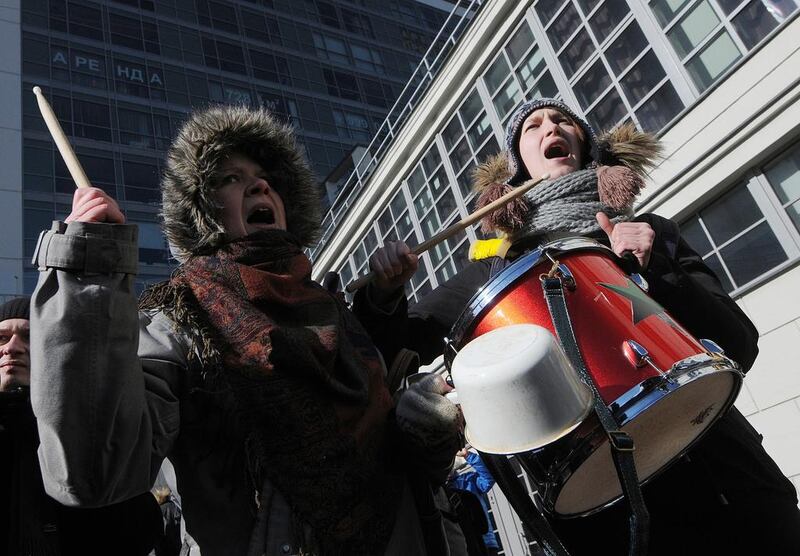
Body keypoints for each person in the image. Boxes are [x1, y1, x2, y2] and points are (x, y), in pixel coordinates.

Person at [357, 97, 800, 555]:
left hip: (729, 482)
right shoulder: (494, 272)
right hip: (608, 518)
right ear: (518, 171)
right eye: (533, 126)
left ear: (585, 146)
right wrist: (383, 292)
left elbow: (738, 343)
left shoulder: (650, 230)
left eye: (563, 120)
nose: (551, 127)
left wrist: (662, 272)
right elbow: (389, 342)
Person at [30, 105, 463, 556]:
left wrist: (421, 426)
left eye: (265, 178)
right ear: (203, 214)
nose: (260, 185)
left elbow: (386, 441)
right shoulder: (179, 320)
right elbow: (94, 472)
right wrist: (88, 270)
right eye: (230, 178)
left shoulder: (334, 310)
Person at [0, 297, 161, 556]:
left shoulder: (87, 424)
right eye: (1, 338)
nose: (12, 347)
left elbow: (138, 528)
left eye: (29, 336)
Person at [448, 448, 501, 556]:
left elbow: (488, 479)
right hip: (461, 548)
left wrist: (468, 455)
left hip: (486, 543)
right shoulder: (437, 493)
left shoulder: (469, 479)